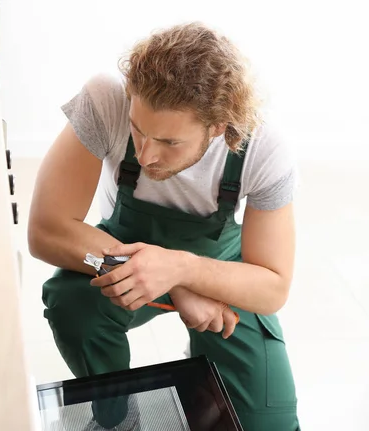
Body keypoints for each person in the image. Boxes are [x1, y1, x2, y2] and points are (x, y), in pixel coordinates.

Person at [28, 21, 300, 430]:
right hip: (115, 251)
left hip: (219, 269)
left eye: (170, 143)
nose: (147, 155)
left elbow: (273, 285)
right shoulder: (106, 98)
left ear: (219, 127)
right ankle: (114, 416)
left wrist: (183, 271)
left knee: (267, 424)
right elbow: (46, 232)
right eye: (138, 131)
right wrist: (175, 286)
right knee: (73, 305)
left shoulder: (263, 148)